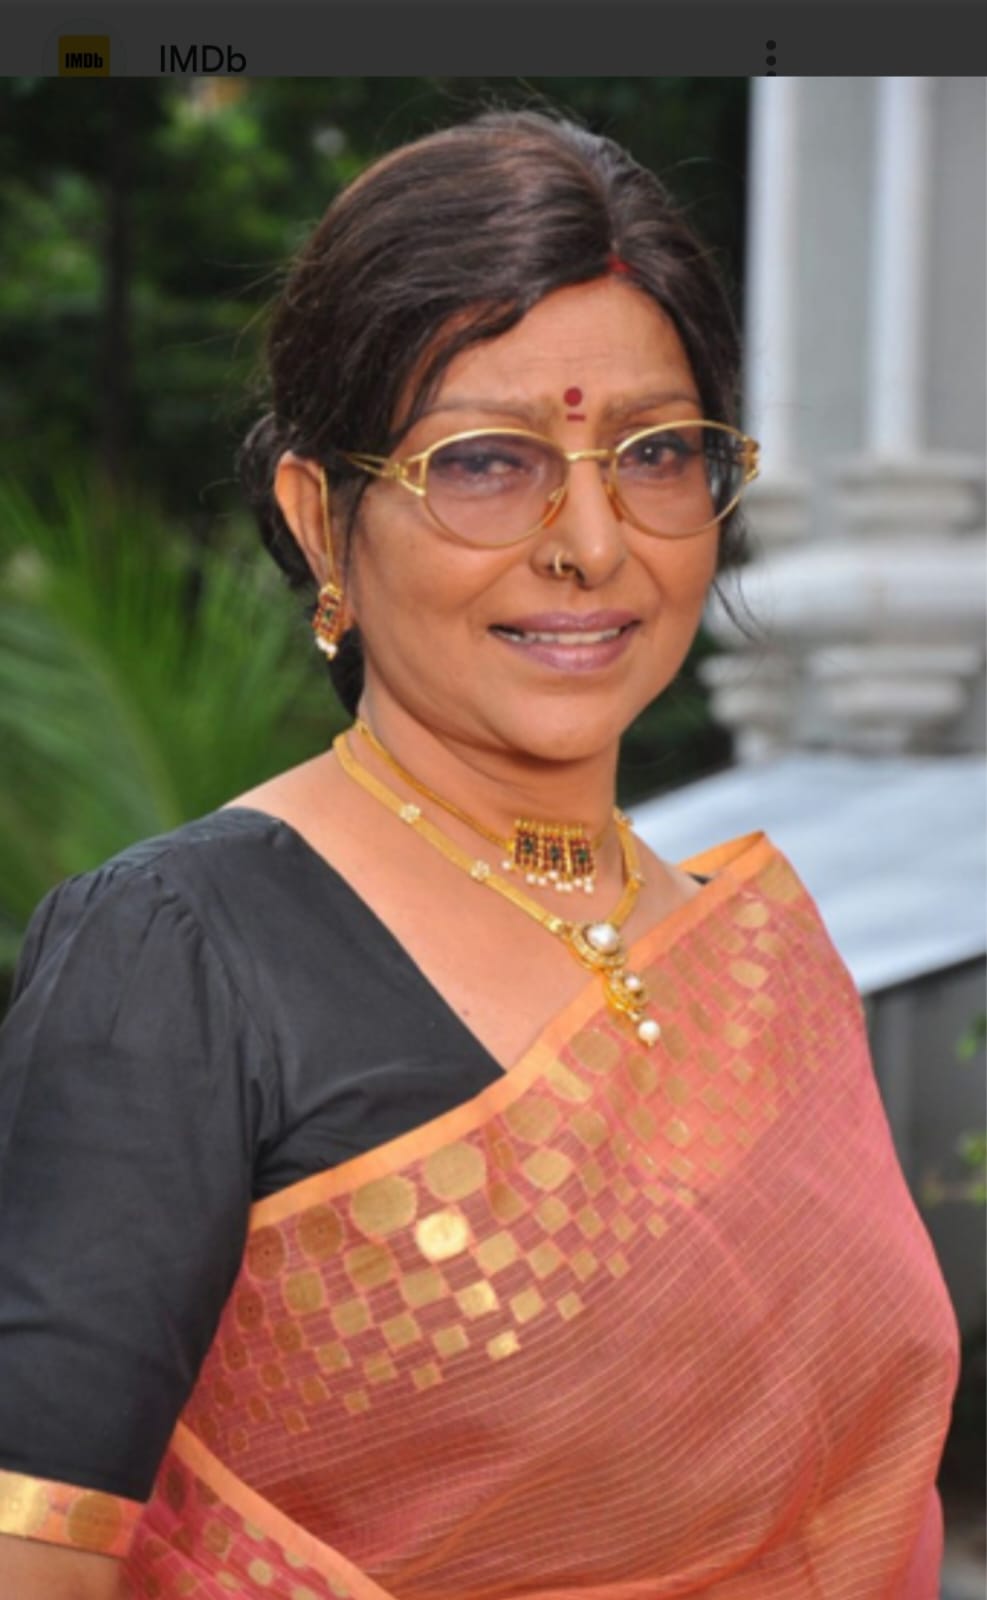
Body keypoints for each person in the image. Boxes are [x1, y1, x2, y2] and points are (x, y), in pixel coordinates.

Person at [0, 110, 959, 1600]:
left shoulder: (762, 967)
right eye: (486, 462)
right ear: (322, 519)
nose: (591, 543)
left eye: (656, 453)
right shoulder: (181, 957)